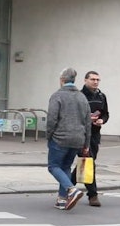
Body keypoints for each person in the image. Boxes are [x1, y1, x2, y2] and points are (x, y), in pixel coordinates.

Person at [46, 67, 91, 210]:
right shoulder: (82, 97)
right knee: (65, 166)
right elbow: (87, 122)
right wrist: (86, 143)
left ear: (62, 80)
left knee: (53, 166)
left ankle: (71, 189)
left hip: (60, 137)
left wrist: (48, 136)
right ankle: (62, 199)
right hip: (78, 139)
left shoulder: (57, 96)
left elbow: (52, 119)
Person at [70, 70, 109, 207]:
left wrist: (102, 121)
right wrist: (87, 120)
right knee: (89, 162)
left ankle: (66, 188)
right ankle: (93, 195)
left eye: (98, 80)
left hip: (95, 134)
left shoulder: (101, 96)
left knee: (85, 163)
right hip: (81, 134)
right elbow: (74, 115)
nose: (95, 82)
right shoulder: (79, 96)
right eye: (92, 79)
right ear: (85, 80)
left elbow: (106, 114)